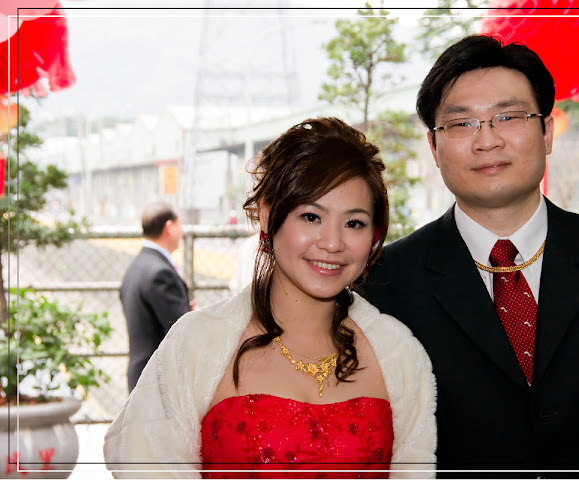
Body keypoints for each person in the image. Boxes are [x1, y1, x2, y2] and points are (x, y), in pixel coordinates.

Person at [365, 35, 579, 476]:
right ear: (434, 148)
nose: (487, 140)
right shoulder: (385, 281)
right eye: (461, 123)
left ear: (547, 132)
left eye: (508, 117)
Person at [104, 117, 437, 479]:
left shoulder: (398, 354)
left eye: (354, 223)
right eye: (311, 216)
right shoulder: (197, 344)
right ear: (267, 214)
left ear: (373, 235)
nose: (332, 243)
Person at [119, 201, 195, 393]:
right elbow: (180, 330)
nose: (182, 232)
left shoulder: (137, 266)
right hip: (158, 384)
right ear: (169, 227)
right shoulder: (161, 273)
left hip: (140, 377)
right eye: (180, 225)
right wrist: (193, 317)